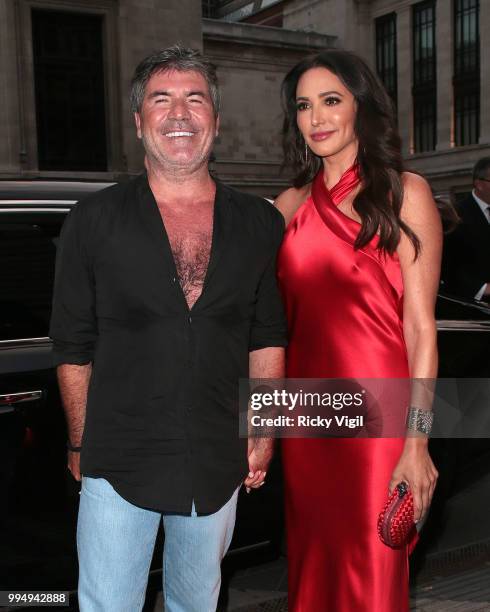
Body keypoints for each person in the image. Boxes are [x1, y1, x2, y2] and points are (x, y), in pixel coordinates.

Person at [49, 46, 286, 612]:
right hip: (119, 457)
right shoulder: (94, 220)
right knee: (109, 605)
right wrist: (82, 441)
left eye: (194, 98)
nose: (179, 113)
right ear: (138, 122)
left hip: (215, 457)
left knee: (197, 604)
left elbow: (266, 334)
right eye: (162, 99)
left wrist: (265, 432)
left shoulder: (258, 222)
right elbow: (73, 343)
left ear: (216, 120)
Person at [274, 50, 440, 611]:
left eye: (331, 100)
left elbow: (420, 330)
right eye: (303, 105)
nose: (316, 117)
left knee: (370, 573)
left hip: (379, 420)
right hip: (303, 419)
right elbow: (268, 326)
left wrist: (416, 442)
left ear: (359, 108)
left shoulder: (401, 192)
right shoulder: (287, 206)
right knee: (312, 571)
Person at [442, 157, 490, 302]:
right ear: (479, 184)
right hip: (472, 308)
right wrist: (482, 288)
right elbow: (448, 267)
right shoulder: (454, 216)